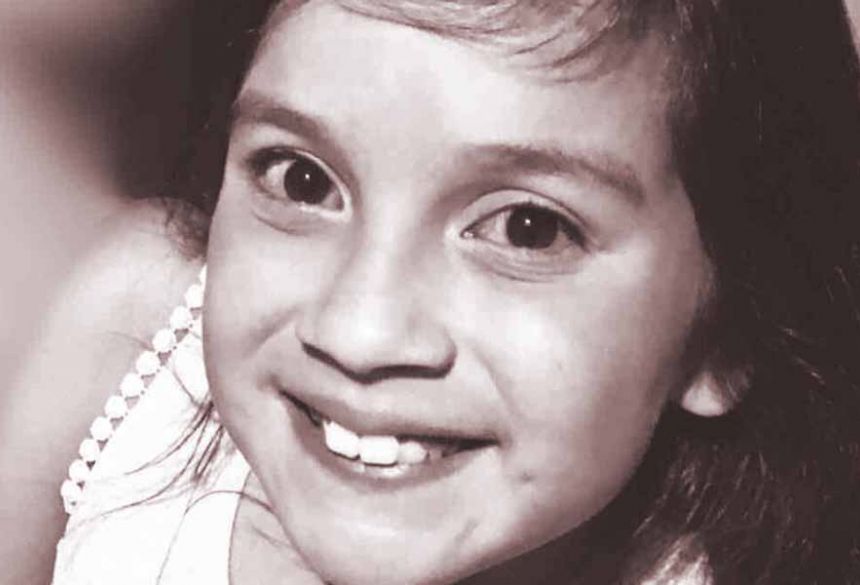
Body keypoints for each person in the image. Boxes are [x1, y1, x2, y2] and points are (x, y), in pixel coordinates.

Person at [6, 0, 860, 583]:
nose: (360, 330)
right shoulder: (134, 332)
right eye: (301, 178)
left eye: (528, 228)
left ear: (727, 328)